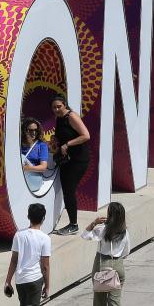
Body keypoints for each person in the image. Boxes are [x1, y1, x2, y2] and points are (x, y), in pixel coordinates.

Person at [3, 203, 52, 306]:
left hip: (20, 280)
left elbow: (14, 260)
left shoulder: (19, 235)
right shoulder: (45, 238)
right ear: (43, 218)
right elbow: (45, 265)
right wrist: (48, 285)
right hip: (35, 280)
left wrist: (8, 280)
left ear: (28, 217)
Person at [82, 201, 131, 306]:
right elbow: (126, 252)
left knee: (99, 299)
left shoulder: (103, 230)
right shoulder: (125, 232)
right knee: (115, 302)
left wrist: (94, 222)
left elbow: (85, 235)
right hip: (118, 266)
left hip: (102, 265)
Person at [51, 95, 91, 235]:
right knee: (66, 190)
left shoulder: (71, 116)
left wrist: (68, 144)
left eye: (59, 106)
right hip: (66, 159)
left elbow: (86, 135)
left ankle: (73, 224)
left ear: (65, 105)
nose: (56, 109)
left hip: (78, 159)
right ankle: (71, 223)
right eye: (54, 107)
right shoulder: (59, 118)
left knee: (69, 191)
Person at [21, 118, 50, 192]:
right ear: (24, 131)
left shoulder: (42, 145)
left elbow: (43, 167)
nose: (34, 133)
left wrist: (27, 168)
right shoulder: (19, 144)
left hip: (33, 180)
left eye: (36, 130)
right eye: (30, 130)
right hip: (19, 177)